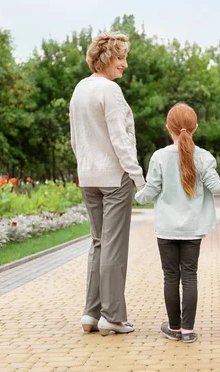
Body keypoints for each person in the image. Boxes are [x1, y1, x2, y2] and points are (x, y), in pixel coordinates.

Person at [135, 102, 220, 343]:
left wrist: (137, 193)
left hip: (166, 230)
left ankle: (174, 327)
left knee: (170, 277)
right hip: (193, 229)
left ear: (167, 128)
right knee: (189, 275)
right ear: (195, 128)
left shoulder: (159, 157)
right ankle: (188, 331)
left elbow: (148, 194)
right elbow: (216, 186)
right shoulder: (204, 157)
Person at [69, 32, 145, 336]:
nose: (125, 64)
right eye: (120, 58)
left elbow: (76, 139)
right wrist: (139, 178)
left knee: (98, 244)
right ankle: (112, 316)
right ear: (105, 58)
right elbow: (121, 140)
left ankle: (91, 313)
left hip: (88, 177)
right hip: (115, 178)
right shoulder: (110, 91)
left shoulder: (79, 90)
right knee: (113, 246)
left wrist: (85, 167)